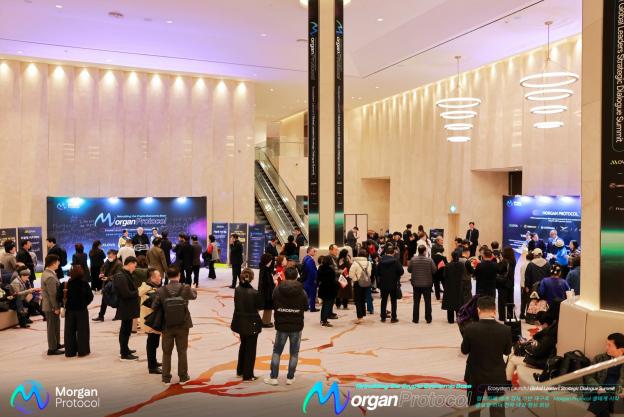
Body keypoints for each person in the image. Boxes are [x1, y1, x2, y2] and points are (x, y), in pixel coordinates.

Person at [461, 296, 511, 417]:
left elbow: (464, 350)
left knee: (473, 408)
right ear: (495, 311)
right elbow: (507, 352)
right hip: (496, 376)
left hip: (474, 376)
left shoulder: (469, 328)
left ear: (478, 310)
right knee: (497, 411)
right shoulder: (505, 329)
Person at [152, 265, 197, 384]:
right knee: (182, 351)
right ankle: (183, 376)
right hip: (183, 324)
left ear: (167, 276)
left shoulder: (161, 290)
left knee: (166, 352)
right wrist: (193, 289)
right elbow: (194, 296)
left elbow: (154, 306)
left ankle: (166, 378)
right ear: (179, 275)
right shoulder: (185, 288)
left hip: (167, 325)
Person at [264, 267, 308, 386]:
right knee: (294, 353)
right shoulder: (302, 291)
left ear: (285, 275)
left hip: (281, 325)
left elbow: (273, 303)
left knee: (277, 352)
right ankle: (290, 377)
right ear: (296, 276)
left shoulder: (277, 289)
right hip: (296, 326)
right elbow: (306, 307)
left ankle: (273, 377)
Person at [230, 268, 263, 381]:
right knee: (250, 349)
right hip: (252, 323)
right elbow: (260, 307)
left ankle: (240, 370)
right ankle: (248, 374)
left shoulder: (237, 290)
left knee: (243, 345)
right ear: (252, 278)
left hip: (240, 322)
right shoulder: (255, 293)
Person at [584, 333, 624, 417]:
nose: (606, 348)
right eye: (606, 344)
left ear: (621, 350)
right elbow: (588, 376)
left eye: (609, 345)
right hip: (598, 392)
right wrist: (598, 388)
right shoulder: (599, 359)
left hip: (616, 396)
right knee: (603, 397)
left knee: (603, 400)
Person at [62, 265, 93, 357]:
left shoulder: (66, 284)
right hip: (82, 311)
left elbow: (60, 296)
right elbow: (90, 297)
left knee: (69, 332)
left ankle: (70, 352)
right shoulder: (84, 283)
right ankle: (83, 351)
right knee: (83, 331)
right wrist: (84, 303)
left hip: (69, 311)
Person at [114, 256, 140, 360]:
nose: (135, 268)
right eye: (134, 265)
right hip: (125, 307)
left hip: (128, 307)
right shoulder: (121, 276)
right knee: (124, 330)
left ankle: (125, 348)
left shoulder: (126, 274)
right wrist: (138, 292)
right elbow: (126, 294)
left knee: (127, 329)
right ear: (130, 263)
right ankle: (124, 353)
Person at [138, 267, 163, 374]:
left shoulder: (151, 288)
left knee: (154, 342)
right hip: (151, 321)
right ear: (152, 278)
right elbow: (154, 305)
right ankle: (152, 367)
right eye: (158, 276)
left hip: (152, 320)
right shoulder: (149, 290)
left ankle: (153, 362)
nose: (160, 277)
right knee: (152, 343)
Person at [41, 254, 64, 355]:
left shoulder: (48, 273)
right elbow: (52, 294)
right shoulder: (49, 276)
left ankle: (56, 344)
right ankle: (52, 348)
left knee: (56, 325)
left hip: (51, 305)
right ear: (53, 263)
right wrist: (56, 307)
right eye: (58, 261)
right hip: (51, 306)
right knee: (51, 327)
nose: (59, 263)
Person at [408, 245, 437, 324]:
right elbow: (434, 271)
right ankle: (428, 319)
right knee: (428, 302)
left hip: (416, 284)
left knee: (416, 302)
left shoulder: (413, 259)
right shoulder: (429, 260)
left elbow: (409, 270)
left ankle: (415, 319)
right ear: (424, 251)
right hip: (427, 284)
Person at [92, 249, 123, 322]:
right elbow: (102, 267)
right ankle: (101, 316)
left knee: (116, 300)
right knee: (104, 299)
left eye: (110, 256)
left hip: (115, 284)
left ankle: (118, 315)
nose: (109, 258)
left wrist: (108, 278)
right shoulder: (107, 261)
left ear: (115, 255)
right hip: (107, 284)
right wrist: (101, 273)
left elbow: (118, 275)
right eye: (108, 256)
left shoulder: (119, 264)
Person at [377, 245, 403, 323]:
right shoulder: (396, 261)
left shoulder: (381, 261)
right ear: (393, 253)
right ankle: (393, 318)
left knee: (384, 300)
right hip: (393, 283)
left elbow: (377, 271)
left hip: (383, 283)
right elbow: (401, 271)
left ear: (385, 253)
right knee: (393, 301)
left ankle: (383, 317)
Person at [349, 249, 372, 324]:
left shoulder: (355, 263)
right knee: (363, 299)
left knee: (358, 300)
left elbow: (350, 275)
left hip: (358, 283)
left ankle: (360, 317)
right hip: (366, 283)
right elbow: (369, 273)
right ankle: (363, 314)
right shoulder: (369, 263)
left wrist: (355, 279)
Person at [442, 251, 464, 324]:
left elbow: (444, 275)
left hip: (449, 285)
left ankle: (450, 320)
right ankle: (458, 318)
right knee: (458, 302)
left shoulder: (448, 265)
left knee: (450, 302)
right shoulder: (461, 265)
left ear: (452, 256)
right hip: (459, 285)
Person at [317, 256, 339, 327]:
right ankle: (324, 321)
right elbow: (333, 281)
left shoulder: (320, 268)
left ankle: (323, 319)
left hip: (323, 289)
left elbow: (318, 279)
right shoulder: (330, 270)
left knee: (324, 305)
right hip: (330, 290)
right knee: (327, 305)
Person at [496, 247, 516, 321]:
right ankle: (510, 315)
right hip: (511, 283)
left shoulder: (504, 261)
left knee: (502, 301)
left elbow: (499, 270)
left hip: (503, 283)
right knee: (510, 300)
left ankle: (502, 316)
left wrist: (498, 262)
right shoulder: (513, 261)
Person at [258, 253, 276, 328]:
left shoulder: (265, 268)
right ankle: (265, 322)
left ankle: (265, 321)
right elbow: (266, 283)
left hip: (266, 292)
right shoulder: (265, 270)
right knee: (267, 307)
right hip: (267, 292)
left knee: (266, 307)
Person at [301, 247, 318, 312]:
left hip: (306, 279)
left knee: (307, 294)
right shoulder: (310, 260)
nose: (315, 252)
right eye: (314, 251)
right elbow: (312, 271)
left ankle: (306, 307)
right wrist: (315, 278)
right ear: (309, 251)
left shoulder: (305, 258)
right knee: (312, 294)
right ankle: (312, 308)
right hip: (310, 279)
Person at [519, 251, 533, 319]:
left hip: (522, 285)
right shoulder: (531, 265)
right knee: (529, 301)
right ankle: (528, 315)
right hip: (528, 285)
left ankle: (522, 314)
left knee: (523, 301)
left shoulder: (523, 265)